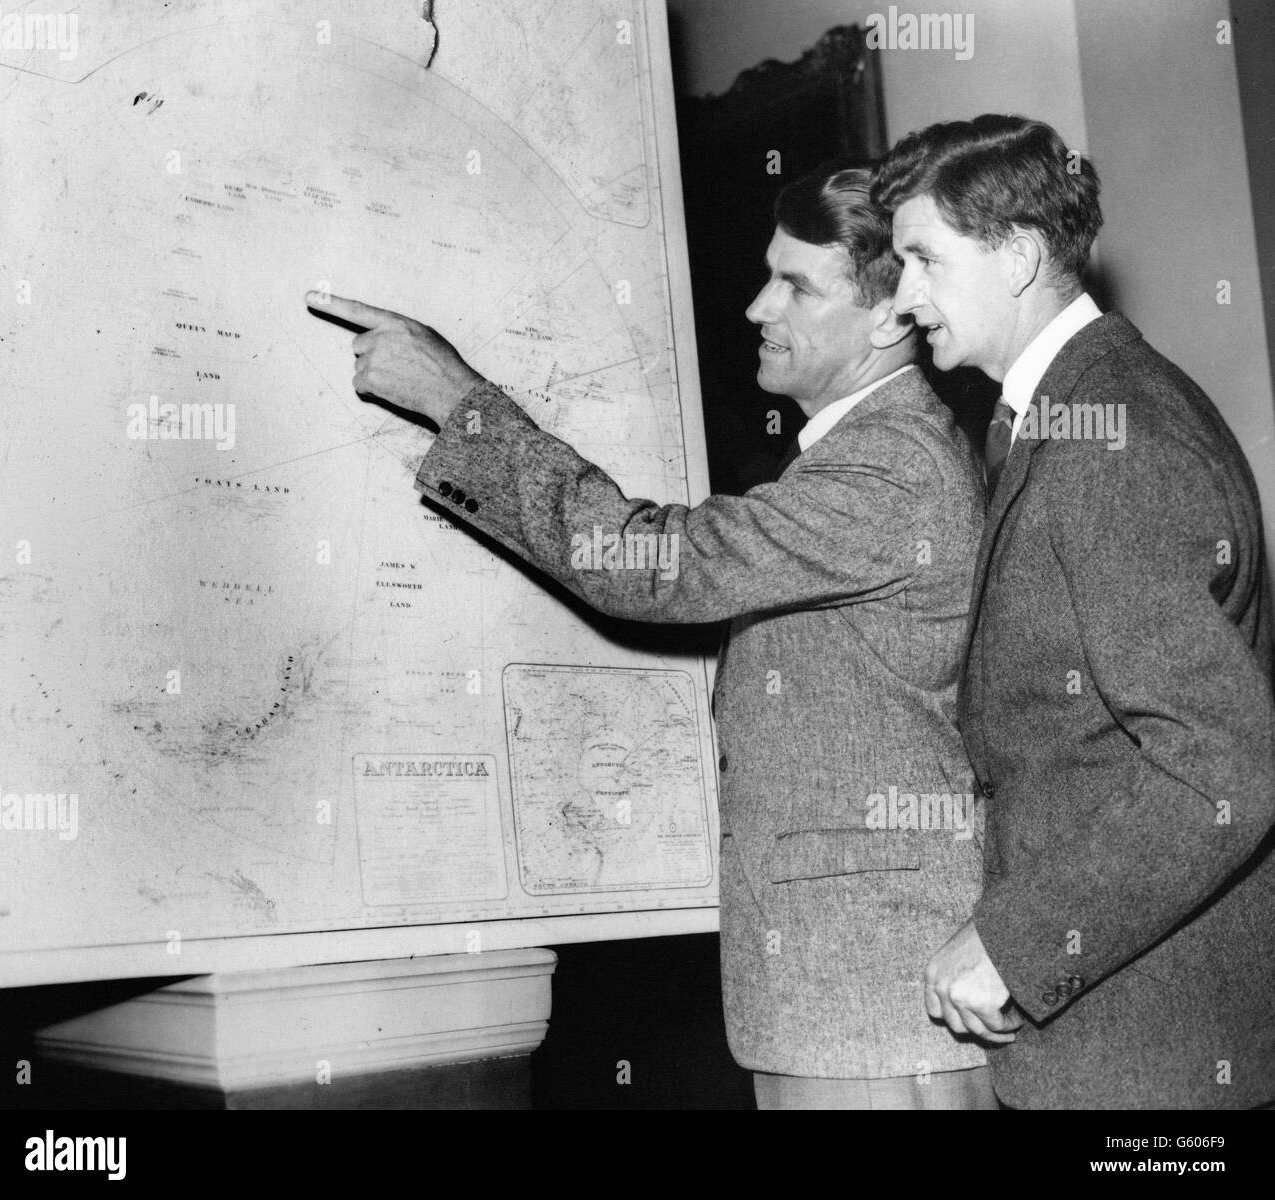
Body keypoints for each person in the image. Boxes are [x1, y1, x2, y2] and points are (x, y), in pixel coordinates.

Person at [305, 164, 991, 1109]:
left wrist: (459, 403)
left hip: (869, 1002)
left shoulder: (892, 465)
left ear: (889, 318)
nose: (757, 305)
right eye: (766, 273)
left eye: (796, 284)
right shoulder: (856, 454)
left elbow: (646, 565)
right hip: (847, 990)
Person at [874, 114, 1275, 1109]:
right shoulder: (1067, 413)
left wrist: (1020, 940)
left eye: (921, 258)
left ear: (1015, 256)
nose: (901, 298)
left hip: (1144, 1058)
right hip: (1120, 1041)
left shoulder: (1110, 435)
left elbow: (1220, 766)